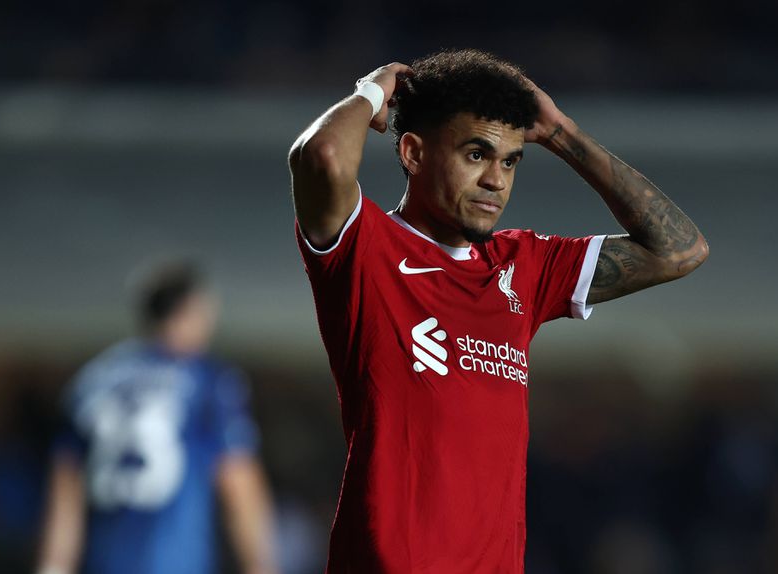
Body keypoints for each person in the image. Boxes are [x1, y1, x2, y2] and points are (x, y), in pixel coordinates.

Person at [288, 49, 709, 572]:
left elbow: (679, 250)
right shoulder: (366, 248)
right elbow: (322, 156)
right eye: (476, 154)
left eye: (510, 161)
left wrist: (561, 133)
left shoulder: (524, 265)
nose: (497, 180)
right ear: (414, 153)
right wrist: (371, 92)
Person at [37, 262, 280, 574]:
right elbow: (238, 480)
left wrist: (53, 566)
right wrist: (261, 565)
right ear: (194, 309)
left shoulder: (92, 380)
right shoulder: (206, 379)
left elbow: (65, 489)